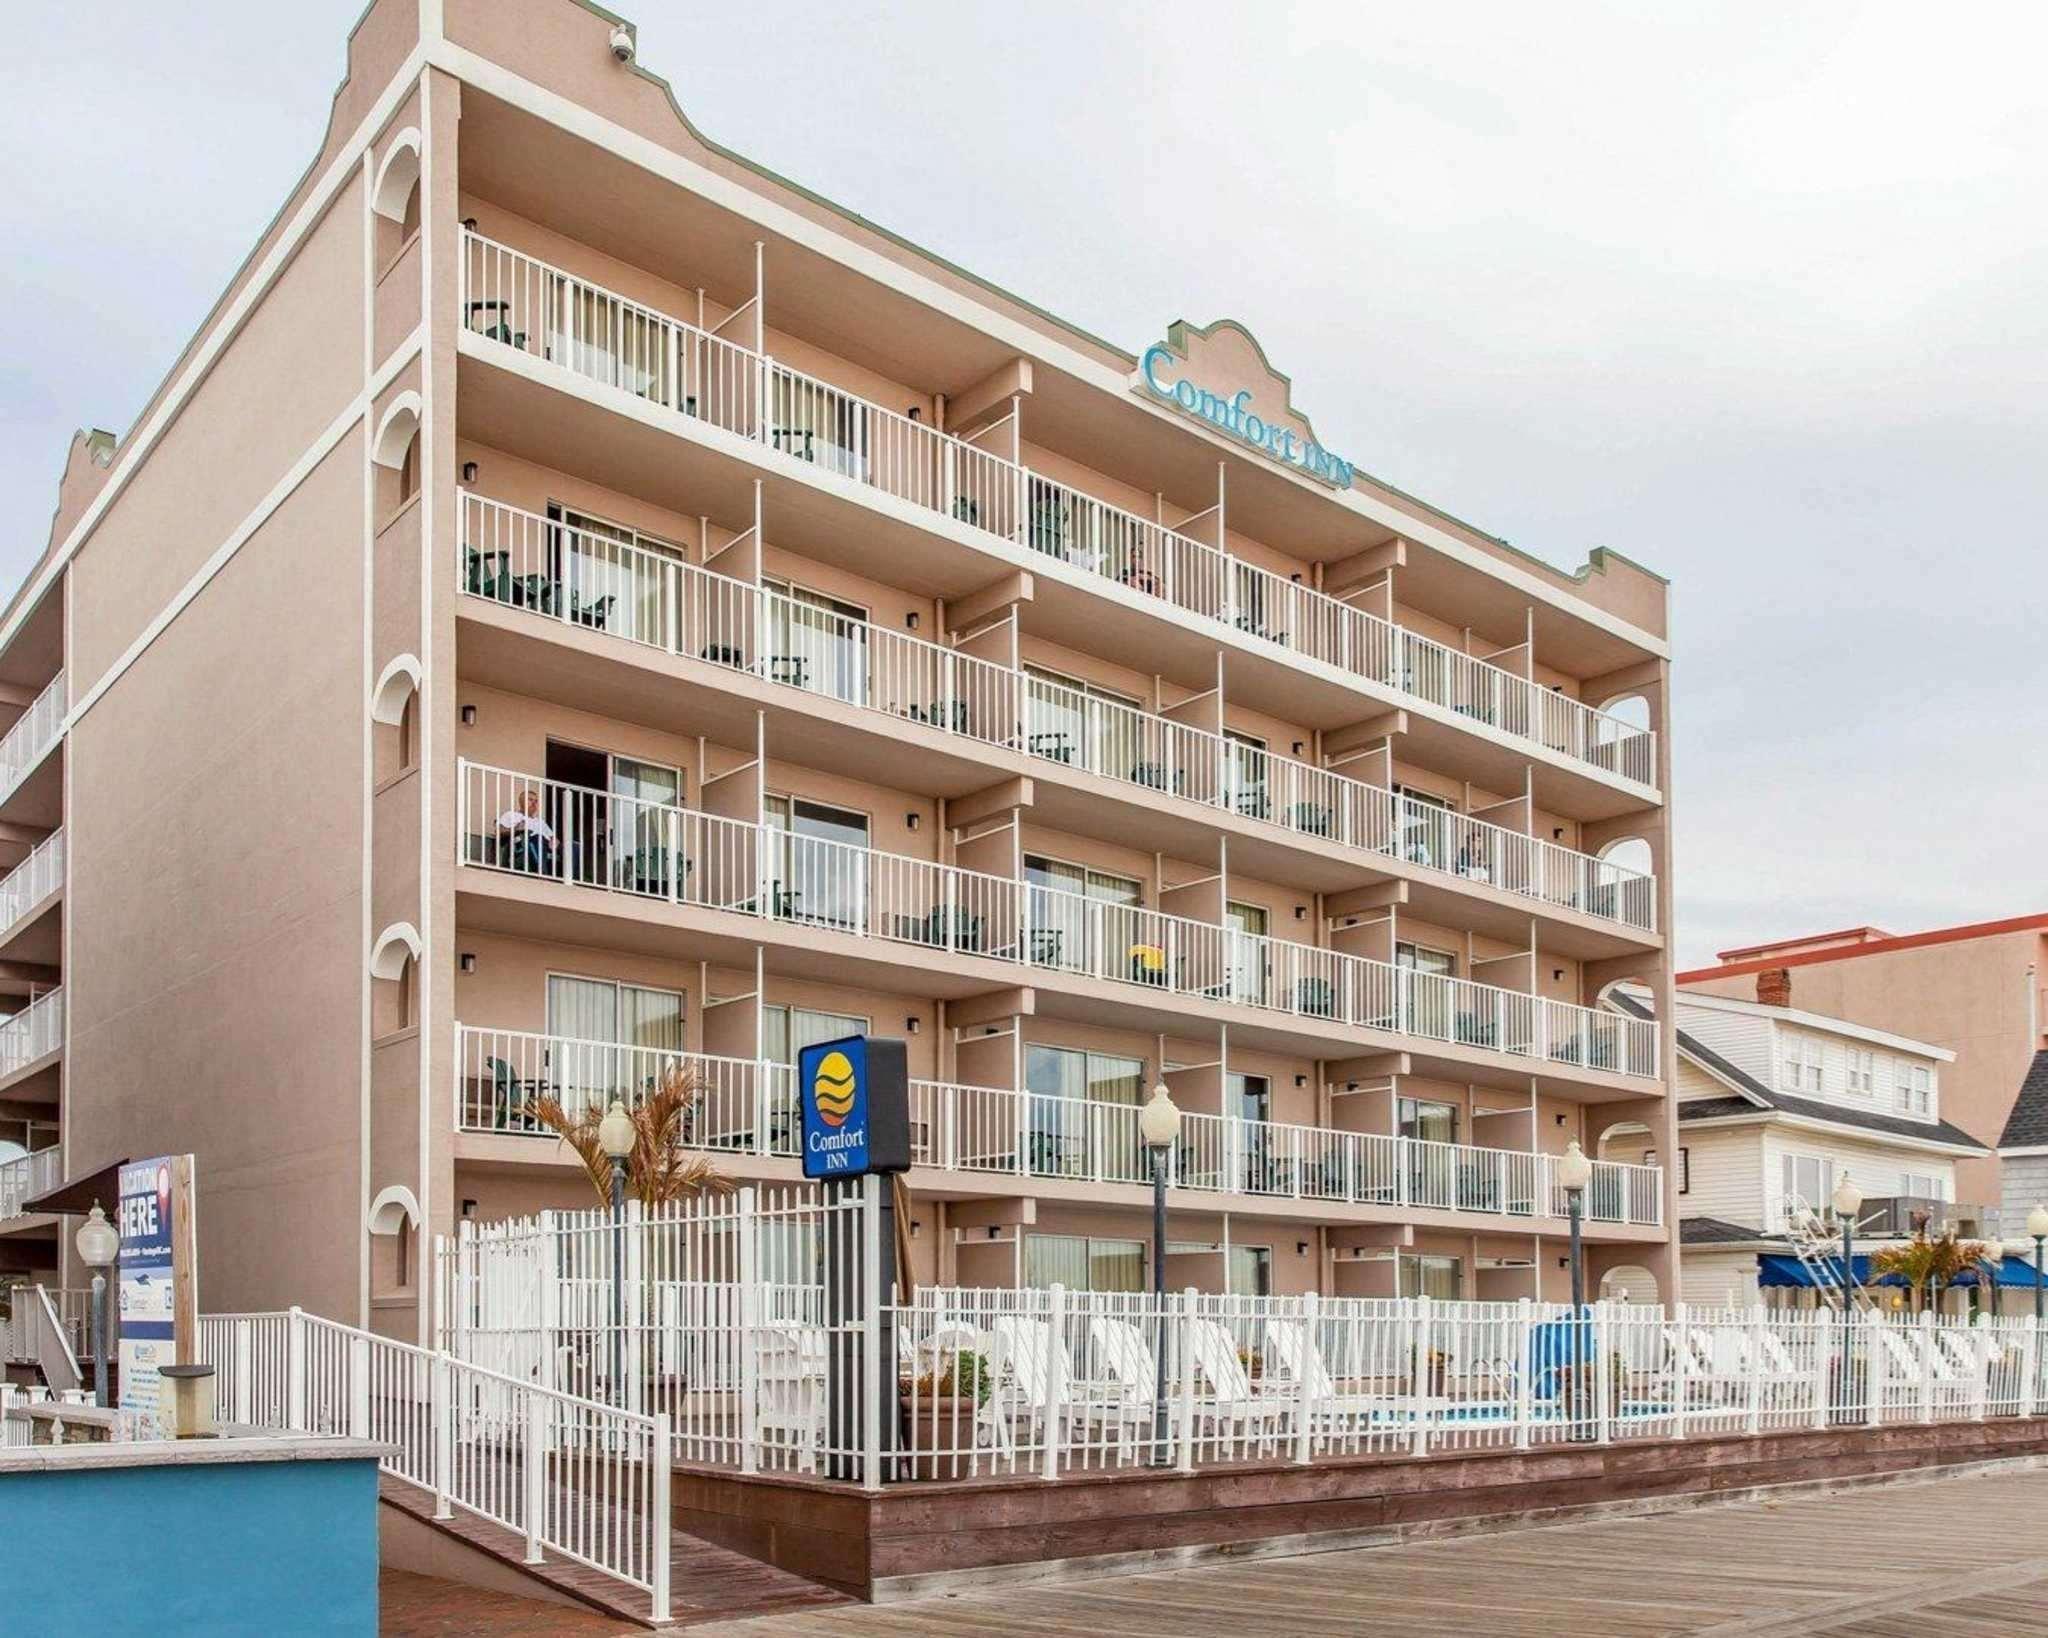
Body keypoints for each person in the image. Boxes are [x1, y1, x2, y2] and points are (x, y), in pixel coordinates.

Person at [497, 786, 558, 874]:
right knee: (537, 838)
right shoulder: (511, 814)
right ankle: (541, 873)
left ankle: (572, 879)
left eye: (536, 801)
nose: (534, 803)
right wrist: (516, 829)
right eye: (530, 800)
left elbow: (553, 838)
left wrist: (554, 841)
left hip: (545, 847)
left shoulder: (540, 821)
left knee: (573, 846)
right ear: (521, 802)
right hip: (521, 846)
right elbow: (499, 831)